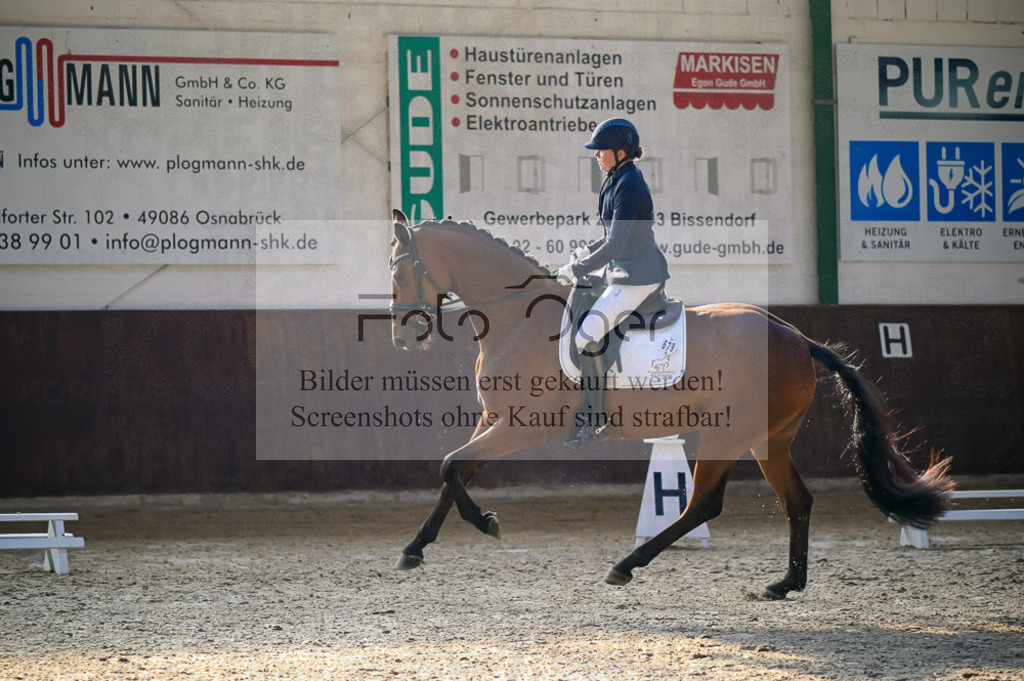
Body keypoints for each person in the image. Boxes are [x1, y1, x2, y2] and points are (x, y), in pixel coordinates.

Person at [557, 118, 670, 449]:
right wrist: (583, 256)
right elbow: (610, 237)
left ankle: (596, 418)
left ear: (621, 152)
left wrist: (579, 269)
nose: (596, 155)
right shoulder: (616, 179)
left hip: (640, 276)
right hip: (625, 272)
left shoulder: (630, 184)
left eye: (601, 150)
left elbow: (618, 244)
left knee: (585, 336)